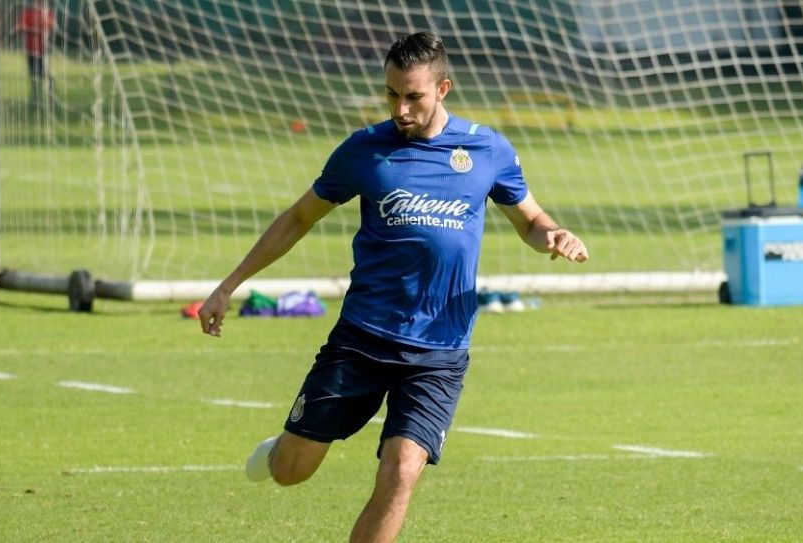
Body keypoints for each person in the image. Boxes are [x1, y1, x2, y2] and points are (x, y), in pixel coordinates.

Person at [197, 31, 588, 543]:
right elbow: (297, 218)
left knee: (402, 471)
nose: (400, 109)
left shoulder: (486, 149)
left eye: (413, 96)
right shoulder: (365, 150)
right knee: (293, 471)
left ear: (443, 88)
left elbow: (531, 221)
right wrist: (230, 285)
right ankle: (281, 449)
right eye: (391, 95)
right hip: (362, 339)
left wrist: (554, 235)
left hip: (440, 352)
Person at [16, 0, 55, 104]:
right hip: (31, 50)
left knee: (46, 73)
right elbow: (20, 27)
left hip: (44, 50)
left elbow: (52, 26)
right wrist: (34, 30)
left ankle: (51, 98)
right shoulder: (28, 12)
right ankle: (36, 97)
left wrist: (41, 29)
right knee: (34, 73)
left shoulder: (48, 12)